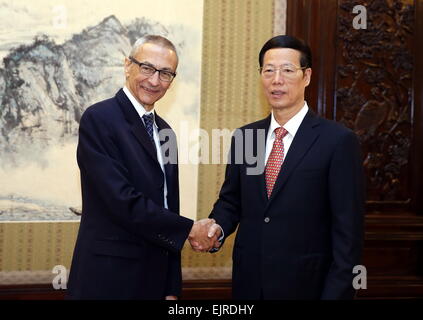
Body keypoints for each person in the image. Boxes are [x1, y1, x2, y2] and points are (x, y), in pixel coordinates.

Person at [205, 35, 365, 299]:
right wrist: (215, 229)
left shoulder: (338, 141)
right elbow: (231, 201)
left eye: (287, 70)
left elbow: (348, 234)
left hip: (307, 288)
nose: (276, 79)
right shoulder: (247, 137)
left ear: (307, 76)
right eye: (268, 70)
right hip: (250, 286)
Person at [67, 35, 216, 300]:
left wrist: (171, 286)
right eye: (147, 68)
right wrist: (190, 229)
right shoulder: (99, 119)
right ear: (127, 65)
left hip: (154, 281)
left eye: (166, 73)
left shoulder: (166, 132)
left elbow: (169, 205)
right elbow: (121, 200)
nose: (154, 80)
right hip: (107, 280)